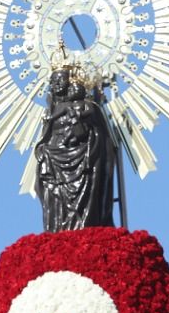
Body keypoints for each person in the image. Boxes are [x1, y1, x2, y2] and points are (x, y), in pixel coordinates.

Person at [34, 65, 115, 232]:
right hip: (55, 157)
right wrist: (43, 149)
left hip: (81, 156)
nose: (56, 84)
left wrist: (82, 131)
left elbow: (98, 134)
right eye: (53, 80)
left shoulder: (87, 106)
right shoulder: (52, 109)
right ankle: (57, 229)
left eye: (60, 80)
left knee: (85, 197)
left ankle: (83, 225)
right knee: (50, 190)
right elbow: (45, 136)